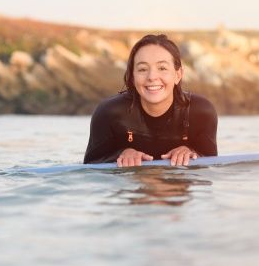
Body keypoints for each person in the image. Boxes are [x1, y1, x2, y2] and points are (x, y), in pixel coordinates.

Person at [84, 34, 218, 167]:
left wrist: (192, 153)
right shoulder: (109, 113)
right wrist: (120, 154)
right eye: (142, 69)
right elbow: (89, 167)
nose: (152, 77)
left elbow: (212, 164)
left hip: (179, 185)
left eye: (162, 68)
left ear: (178, 75)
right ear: (132, 77)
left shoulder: (200, 112)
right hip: (130, 186)